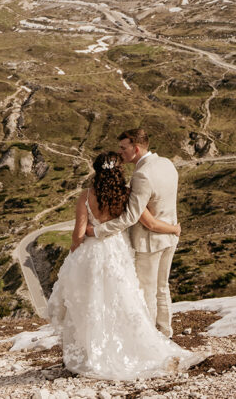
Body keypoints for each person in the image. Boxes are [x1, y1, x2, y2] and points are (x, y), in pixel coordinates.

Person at [46, 151, 202, 380]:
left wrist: (73, 253)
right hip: (118, 253)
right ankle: (129, 347)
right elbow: (149, 222)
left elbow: (78, 235)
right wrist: (174, 229)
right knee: (122, 301)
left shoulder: (86, 196)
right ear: (119, 171)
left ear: (96, 171)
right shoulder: (126, 194)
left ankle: (93, 353)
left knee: (92, 303)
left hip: (92, 254)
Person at [86, 128, 181, 337]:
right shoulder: (167, 163)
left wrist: (98, 230)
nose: (120, 153)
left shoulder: (142, 175)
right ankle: (165, 331)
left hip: (149, 240)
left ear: (135, 148)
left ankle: (150, 337)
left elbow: (131, 217)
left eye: (123, 148)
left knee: (147, 290)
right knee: (162, 287)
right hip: (171, 234)